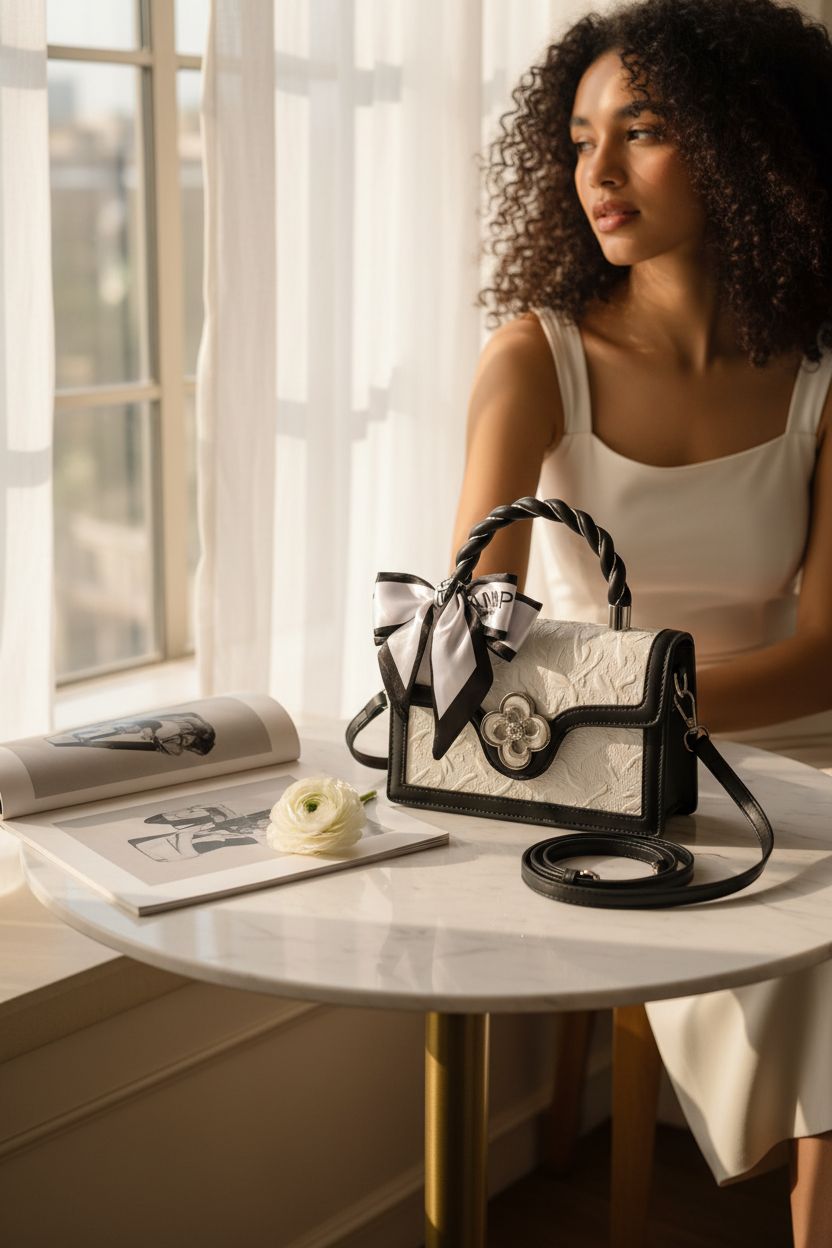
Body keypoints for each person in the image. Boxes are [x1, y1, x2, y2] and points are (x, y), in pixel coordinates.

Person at [448, 1, 832, 1243]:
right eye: (574, 139)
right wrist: (633, 715)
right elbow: (473, 641)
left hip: (805, 753)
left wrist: (628, 684)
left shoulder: (822, 380)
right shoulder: (536, 359)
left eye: (642, 131)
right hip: (617, 770)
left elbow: (831, 653)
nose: (594, 174)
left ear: (744, 147)